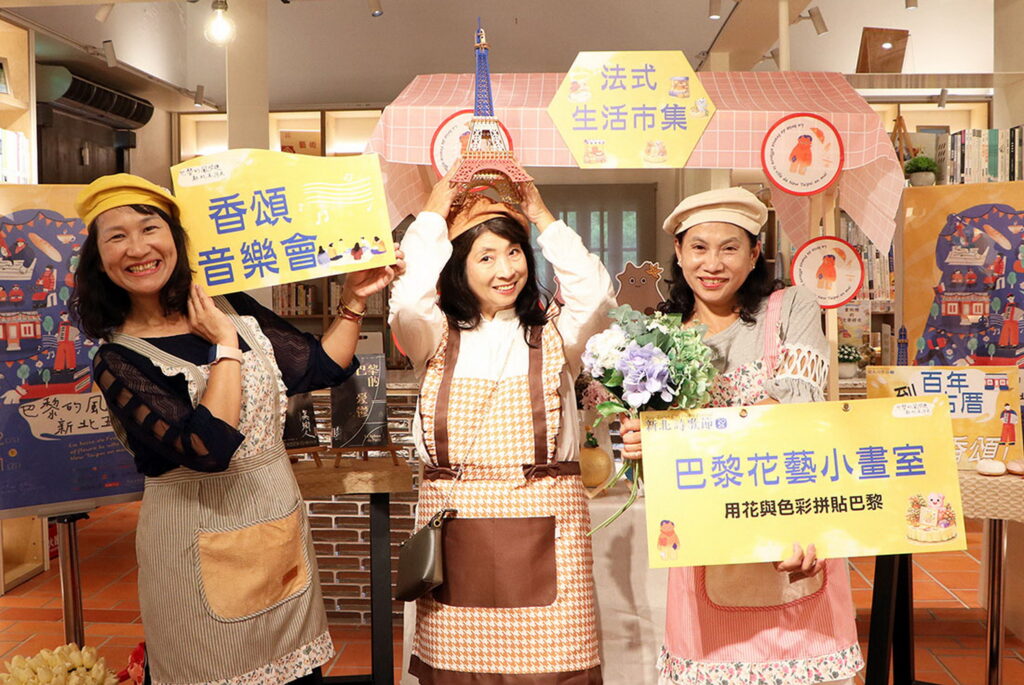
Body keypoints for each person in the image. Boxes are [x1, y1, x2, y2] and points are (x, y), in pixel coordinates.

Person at [70, 173, 404, 685]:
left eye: (149, 228)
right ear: (98, 260)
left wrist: (355, 298)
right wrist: (225, 346)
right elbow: (208, 447)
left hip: (277, 535)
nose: (137, 248)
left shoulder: (227, 304)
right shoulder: (119, 360)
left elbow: (320, 367)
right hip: (193, 552)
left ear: (176, 239)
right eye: (117, 236)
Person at [619, 187, 863, 685]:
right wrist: (643, 447)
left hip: (790, 524)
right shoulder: (658, 337)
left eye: (729, 248)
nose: (712, 263)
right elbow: (656, 468)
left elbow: (798, 411)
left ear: (754, 254)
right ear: (679, 253)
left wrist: (681, 436)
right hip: (708, 543)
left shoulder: (792, 307)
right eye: (698, 247)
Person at [389, 173, 615, 684]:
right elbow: (406, 302)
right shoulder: (433, 335)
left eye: (514, 252)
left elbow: (597, 293)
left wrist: (541, 215)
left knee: (554, 671)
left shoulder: (556, 334)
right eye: (486, 257)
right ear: (457, 266)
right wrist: (432, 215)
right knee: (459, 672)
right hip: (458, 533)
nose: (506, 269)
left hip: (548, 533)